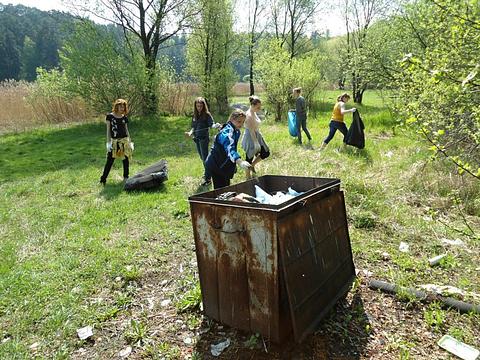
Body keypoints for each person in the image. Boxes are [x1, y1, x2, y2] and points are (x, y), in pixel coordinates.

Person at [205, 109, 251, 189]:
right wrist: (239, 161)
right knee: (220, 190)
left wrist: (233, 164)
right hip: (216, 163)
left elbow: (232, 148)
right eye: (239, 121)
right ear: (232, 119)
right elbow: (230, 148)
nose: (241, 124)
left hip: (223, 163)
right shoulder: (227, 133)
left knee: (226, 188)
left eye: (243, 122)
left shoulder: (236, 131)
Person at [185, 97, 220, 186]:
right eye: (197, 106)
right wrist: (190, 133)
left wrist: (216, 126)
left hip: (204, 139)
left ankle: (208, 178)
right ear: (195, 106)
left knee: (205, 159)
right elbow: (193, 127)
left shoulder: (207, 115)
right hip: (196, 139)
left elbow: (211, 124)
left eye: (201, 106)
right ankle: (209, 174)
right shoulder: (195, 115)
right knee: (202, 158)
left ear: (204, 106)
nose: (199, 108)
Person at [100, 98, 134, 185]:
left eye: (123, 107)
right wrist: (108, 143)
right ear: (116, 107)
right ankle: (103, 179)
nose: (122, 108)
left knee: (125, 159)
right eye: (120, 107)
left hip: (124, 141)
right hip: (114, 142)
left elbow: (127, 130)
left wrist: (130, 142)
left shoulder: (124, 118)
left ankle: (126, 177)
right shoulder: (110, 117)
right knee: (110, 160)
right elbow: (108, 130)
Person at [241, 95, 270, 179]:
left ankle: (252, 166)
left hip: (257, 135)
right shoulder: (248, 115)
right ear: (252, 106)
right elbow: (251, 130)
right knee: (249, 157)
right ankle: (248, 177)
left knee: (266, 152)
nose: (259, 109)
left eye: (260, 107)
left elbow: (255, 128)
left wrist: (258, 139)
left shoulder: (253, 112)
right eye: (258, 107)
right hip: (250, 137)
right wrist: (255, 142)